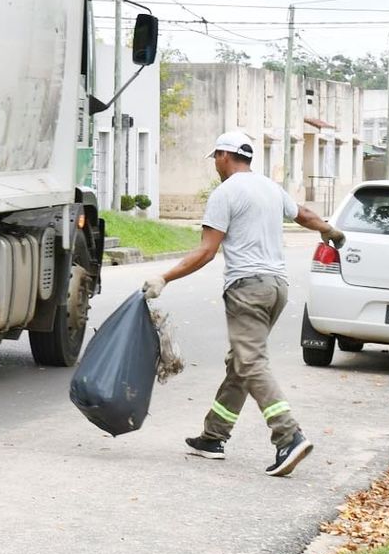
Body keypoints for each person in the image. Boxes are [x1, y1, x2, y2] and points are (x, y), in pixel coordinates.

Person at [142, 130, 345, 477]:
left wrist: (165, 278)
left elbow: (207, 251)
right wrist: (329, 230)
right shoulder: (269, 187)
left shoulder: (225, 193)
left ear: (224, 155)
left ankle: (288, 435)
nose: (215, 166)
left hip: (247, 289)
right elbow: (304, 214)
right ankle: (213, 437)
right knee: (240, 361)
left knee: (250, 362)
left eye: (216, 158)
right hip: (276, 288)